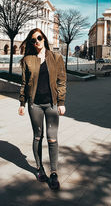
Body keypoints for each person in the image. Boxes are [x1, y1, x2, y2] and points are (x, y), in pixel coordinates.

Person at [18, 28, 66, 191]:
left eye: (39, 38)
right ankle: (39, 169)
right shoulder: (27, 60)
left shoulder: (56, 57)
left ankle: (54, 173)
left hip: (52, 104)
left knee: (52, 139)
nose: (37, 41)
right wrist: (22, 103)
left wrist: (61, 102)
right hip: (35, 104)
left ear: (44, 38)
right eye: (33, 40)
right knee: (38, 136)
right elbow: (24, 83)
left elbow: (61, 81)